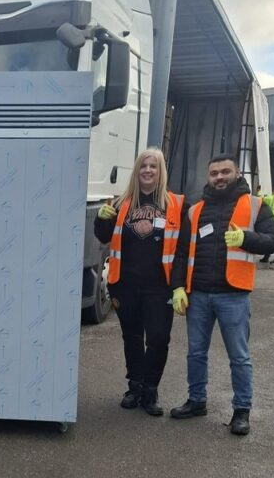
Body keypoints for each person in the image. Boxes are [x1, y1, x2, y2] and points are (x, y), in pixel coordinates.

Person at [169, 154, 274, 435]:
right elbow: (182, 253)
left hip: (234, 295)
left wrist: (246, 238)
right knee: (195, 353)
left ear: (237, 173)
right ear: (208, 177)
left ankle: (242, 411)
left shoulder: (256, 206)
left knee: (239, 356)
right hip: (199, 296)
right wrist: (178, 287)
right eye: (214, 173)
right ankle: (196, 401)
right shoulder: (195, 210)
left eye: (225, 172)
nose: (219, 177)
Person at [94, 148, 187, 416]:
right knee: (132, 337)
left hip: (160, 286)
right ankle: (134, 386)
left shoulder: (176, 204)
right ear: (137, 171)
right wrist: (101, 220)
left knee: (158, 338)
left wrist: (179, 284)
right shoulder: (122, 203)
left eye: (153, 166)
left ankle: (150, 390)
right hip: (126, 284)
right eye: (143, 166)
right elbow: (104, 237)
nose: (148, 170)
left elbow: (182, 250)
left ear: (161, 171)